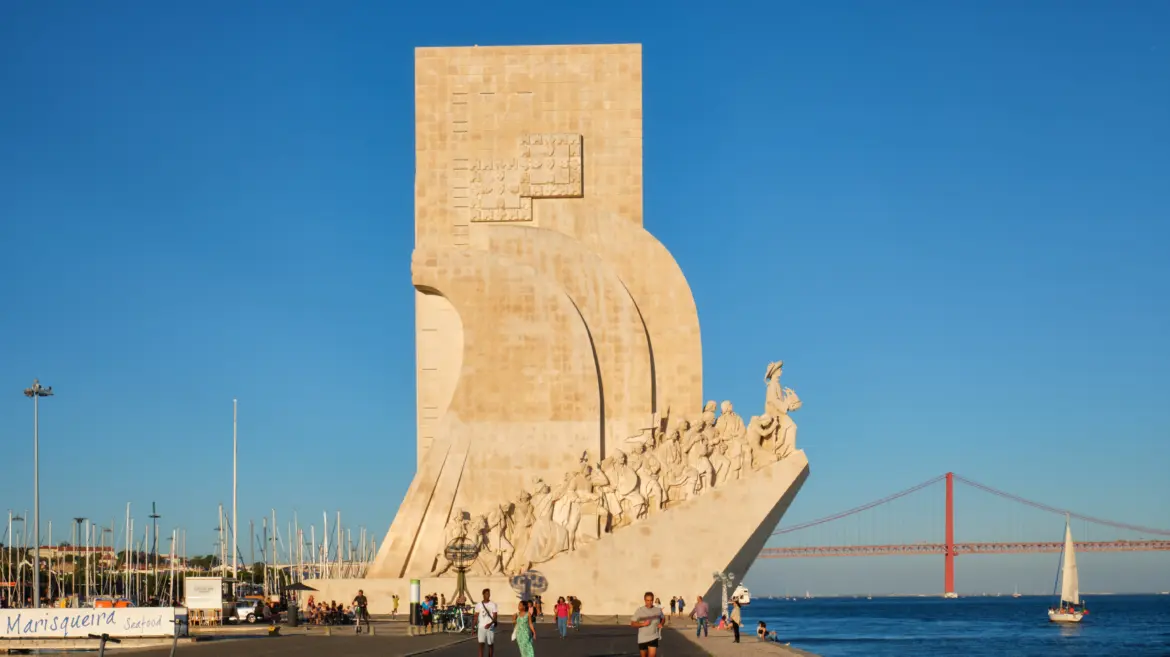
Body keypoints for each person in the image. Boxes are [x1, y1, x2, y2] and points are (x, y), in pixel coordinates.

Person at [630, 591, 665, 657]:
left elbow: (663, 618)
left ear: (653, 600)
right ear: (645, 600)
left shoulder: (658, 610)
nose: (649, 602)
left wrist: (661, 624)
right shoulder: (640, 610)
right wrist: (643, 624)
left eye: (651, 600)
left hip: (653, 637)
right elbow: (632, 623)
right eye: (647, 600)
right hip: (643, 638)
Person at [477, 588, 499, 657]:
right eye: (487, 594)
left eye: (489, 594)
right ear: (483, 595)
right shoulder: (479, 605)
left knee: (490, 644)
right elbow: (475, 616)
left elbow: (495, 616)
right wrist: (473, 627)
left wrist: (490, 624)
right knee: (481, 644)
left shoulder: (493, 604)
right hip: (481, 627)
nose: (488, 595)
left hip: (490, 627)